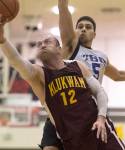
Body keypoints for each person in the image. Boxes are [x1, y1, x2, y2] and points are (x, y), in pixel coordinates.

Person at [40, 0, 125, 150]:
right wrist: (62, 4)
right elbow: (64, 16)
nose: (83, 29)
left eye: (88, 27)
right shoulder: (70, 46)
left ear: (94, 33)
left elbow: (118, 75)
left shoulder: (102, 56)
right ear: (74, 31)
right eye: (79, 27)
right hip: (61, 112)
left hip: (86, 113)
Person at [0, 17, 109, 150]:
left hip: (91, 123)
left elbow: (100, 91)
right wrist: (2, 40)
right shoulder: (38, 74)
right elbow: (16, 61)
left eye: (47, 42)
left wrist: (101, 117)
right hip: (62, 126)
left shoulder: (78, 66)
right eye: (39, 44)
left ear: (59, 49)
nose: (42, 45)